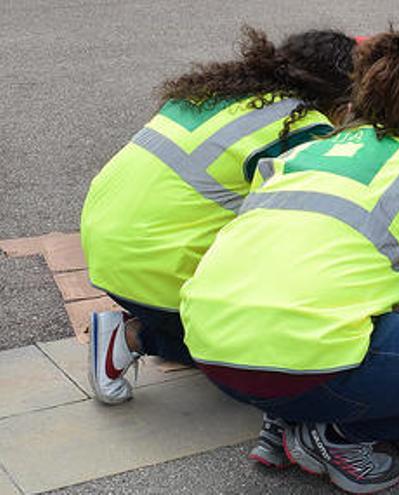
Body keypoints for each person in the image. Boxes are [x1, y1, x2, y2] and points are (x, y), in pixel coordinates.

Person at [178, 30, 399, 494]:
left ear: (349, 109)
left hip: (213, 351)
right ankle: (336, 433)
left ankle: (286, 419)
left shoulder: (296, 155)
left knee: (364, 320)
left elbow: (311, 253)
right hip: (301, 365)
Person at [79, 26, 356, 466]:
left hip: (106, 245)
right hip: (153, 271)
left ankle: (155, 320)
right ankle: (134, 335)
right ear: (342, 96)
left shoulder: (217, 92)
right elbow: (306, 228)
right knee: (254, 344)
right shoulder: (304, 127)